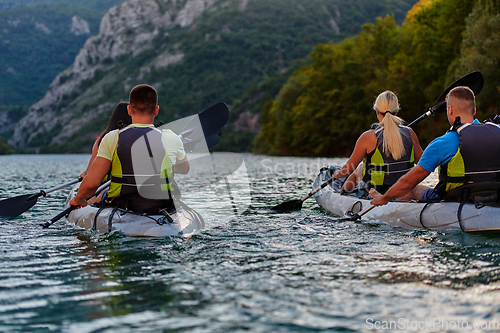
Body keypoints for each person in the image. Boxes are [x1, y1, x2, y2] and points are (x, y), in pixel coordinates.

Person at [370, 86, 500, 206]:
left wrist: (384, 198)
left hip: (457, 199)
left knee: (414, 189)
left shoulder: (443, 142)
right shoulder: (497, 130)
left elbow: (407, 183)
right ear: (475, 111)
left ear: (449, 110)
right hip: (495, 197)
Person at [70, 84, 190, 214]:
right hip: (162, 206)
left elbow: (92, 184)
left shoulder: (112, 138)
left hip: (123, 205)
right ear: (156, 110)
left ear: (129, 110)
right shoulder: (172, 137)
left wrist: (78, 200)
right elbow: (184, 169)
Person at [331, 90, 423, 194]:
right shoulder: (410, 133)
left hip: (375, 192)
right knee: (361, 167)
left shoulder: (368, 136)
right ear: (396, 112)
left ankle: (341, 196)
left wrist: (337, 174)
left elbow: (348, 170)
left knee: (358, 170)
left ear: (377, 112)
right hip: (404, 189)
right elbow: (423, 162)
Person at [80, 102, 132, 179]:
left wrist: (84, 174)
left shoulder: (101, 140)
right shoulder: (136, 138)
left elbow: (90, 170)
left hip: (106, 183)